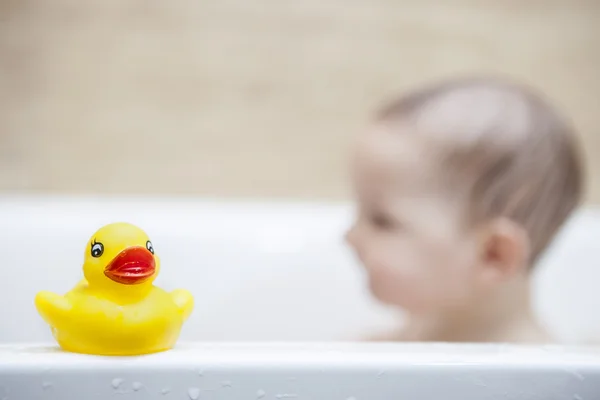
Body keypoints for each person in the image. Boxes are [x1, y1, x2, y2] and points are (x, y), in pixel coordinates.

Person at [345, 76, 584, 342]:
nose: (350, 237)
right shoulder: (424, 323)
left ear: (493, 255)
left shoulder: (537, 373)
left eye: (382, 221)